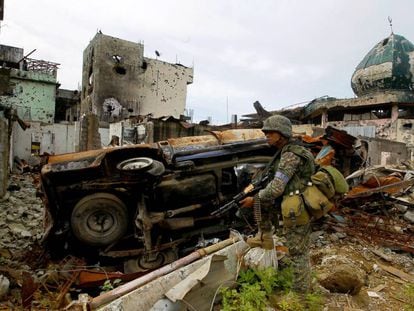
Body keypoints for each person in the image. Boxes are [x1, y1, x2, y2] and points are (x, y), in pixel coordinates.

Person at [240, 114, 315, 292]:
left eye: (270, 133)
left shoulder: (290, 154)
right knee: (295, 250)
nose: (266, 135)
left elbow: (276, 189)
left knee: (298, 253)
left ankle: (300, 296)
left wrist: (255, 199)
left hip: (298, 207)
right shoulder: (286, 151)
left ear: (281, 134)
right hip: (293, 204)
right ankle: (264, 235)